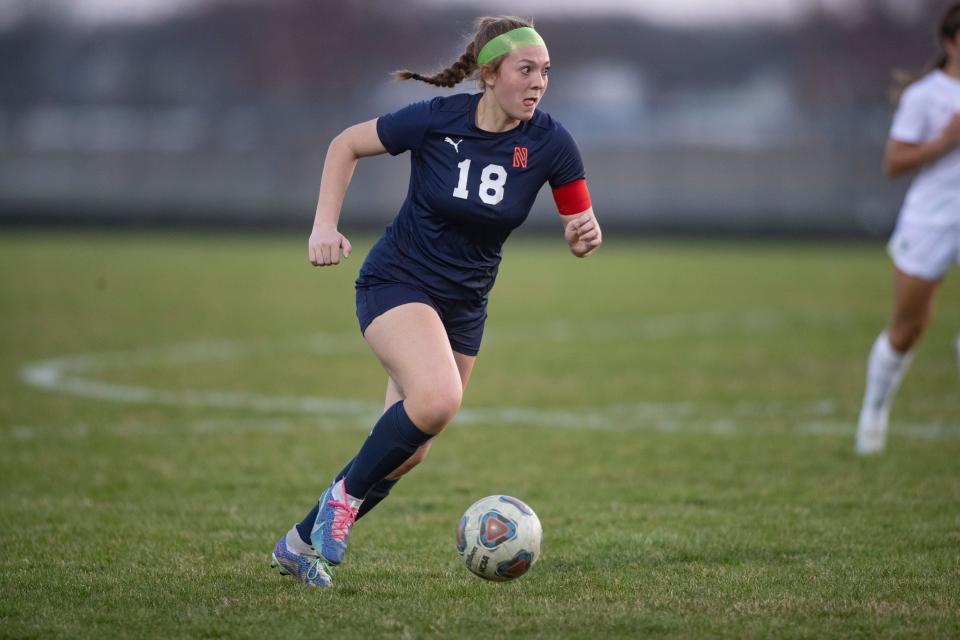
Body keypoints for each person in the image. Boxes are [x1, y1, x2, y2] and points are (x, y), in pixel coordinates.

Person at [270, 16, 602, 586]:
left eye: (545, 71)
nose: (538, 82)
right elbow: (345, 144)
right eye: (526, 70)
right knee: (439, 399)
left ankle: (299, 544)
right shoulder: (436, 120)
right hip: (397, 282)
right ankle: (340, 504)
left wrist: (583, 235)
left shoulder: (552, 142)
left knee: (411, 449)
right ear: (490, 73)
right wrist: (324, 226)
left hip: (464, 307)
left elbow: (580, 223)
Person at [855, 2, 960, 455]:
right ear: (952, 42)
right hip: (932, 218)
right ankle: (874, 411)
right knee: (908, 328)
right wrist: (943, 142)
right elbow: (894, 163)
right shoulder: (926, 96)